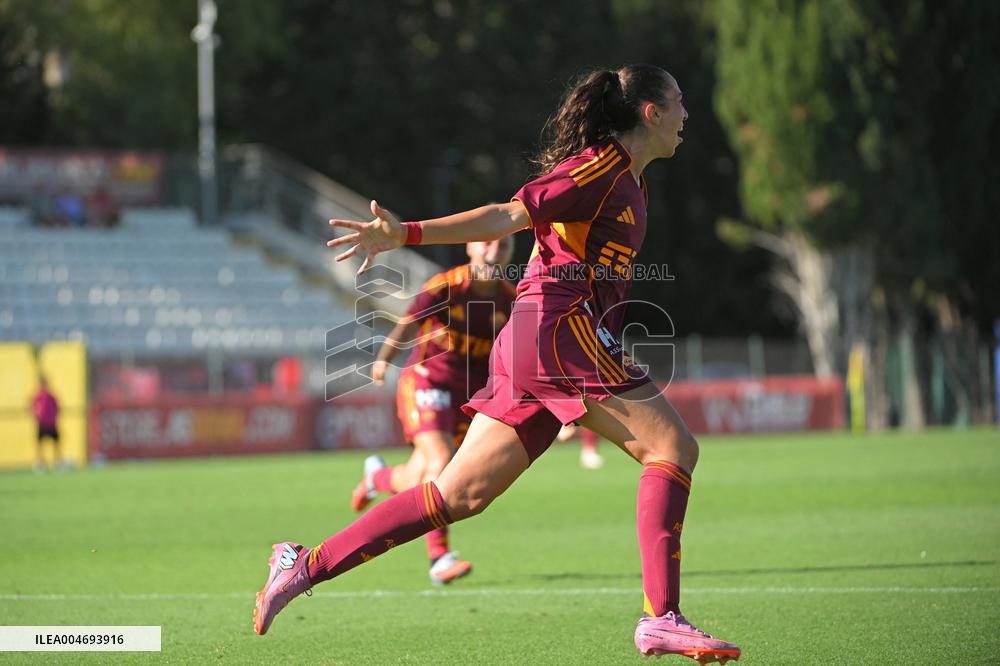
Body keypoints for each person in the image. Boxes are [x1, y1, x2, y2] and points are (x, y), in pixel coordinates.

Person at [254, 64, 740, 664]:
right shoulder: (601, 165)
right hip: (557, 332)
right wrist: (404, 233)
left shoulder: (633, 181)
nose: (688, 115)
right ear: (651, 112)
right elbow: (507, 215)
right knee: (672, 449)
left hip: (539, 340)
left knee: (457, 495)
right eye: (680, 102)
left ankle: (301, 566)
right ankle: (661, 618)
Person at [351, 236, 515, 586]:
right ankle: (439, 557)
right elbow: (409, 322)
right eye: (487, 243)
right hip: (426, 381)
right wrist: (383, 360)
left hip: (467, 397)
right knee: (442, 461)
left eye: (503, 245)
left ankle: (376, 477)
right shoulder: (447, 286)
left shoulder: (510, 299)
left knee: (418, 478)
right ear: (469, 247)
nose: (494, 250)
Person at [31, 377, 61, 472]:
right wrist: (36, 416)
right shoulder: (38, 396)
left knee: (56, 443)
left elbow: (58, 408)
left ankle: (56, 462)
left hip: (51, 424)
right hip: (42, 423)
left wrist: (55, 417)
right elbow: (32, 406)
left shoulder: (52, 396)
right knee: (40, 444)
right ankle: (40, 463)